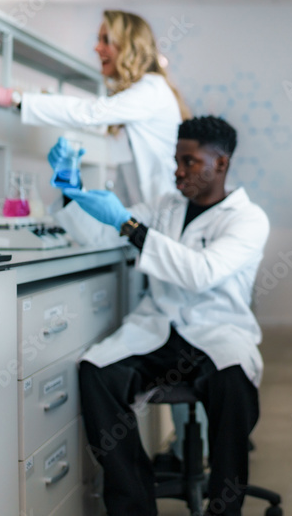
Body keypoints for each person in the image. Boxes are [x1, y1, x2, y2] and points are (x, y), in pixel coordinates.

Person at [66, 116, 269, 516]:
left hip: (217, 332)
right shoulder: (164, 206)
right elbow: (99, 231)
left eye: (190, 161)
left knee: (234, 386)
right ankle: (132, 505)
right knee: (96, 371)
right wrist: (71, 193)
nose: (178, 171)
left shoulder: (248, 219)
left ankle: (224, 509)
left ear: (221, 164)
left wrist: (131, 226)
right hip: (158, 330)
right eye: (176, 160)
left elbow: (202, 272)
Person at [0, 9, 190, 206]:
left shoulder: (151, 90)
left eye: (106, 40)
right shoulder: (136, 98)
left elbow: (89, 113)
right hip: (147, 216)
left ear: (129, 47)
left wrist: (15, 98)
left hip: (164, 211)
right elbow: (126, 177)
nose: (97, 48)